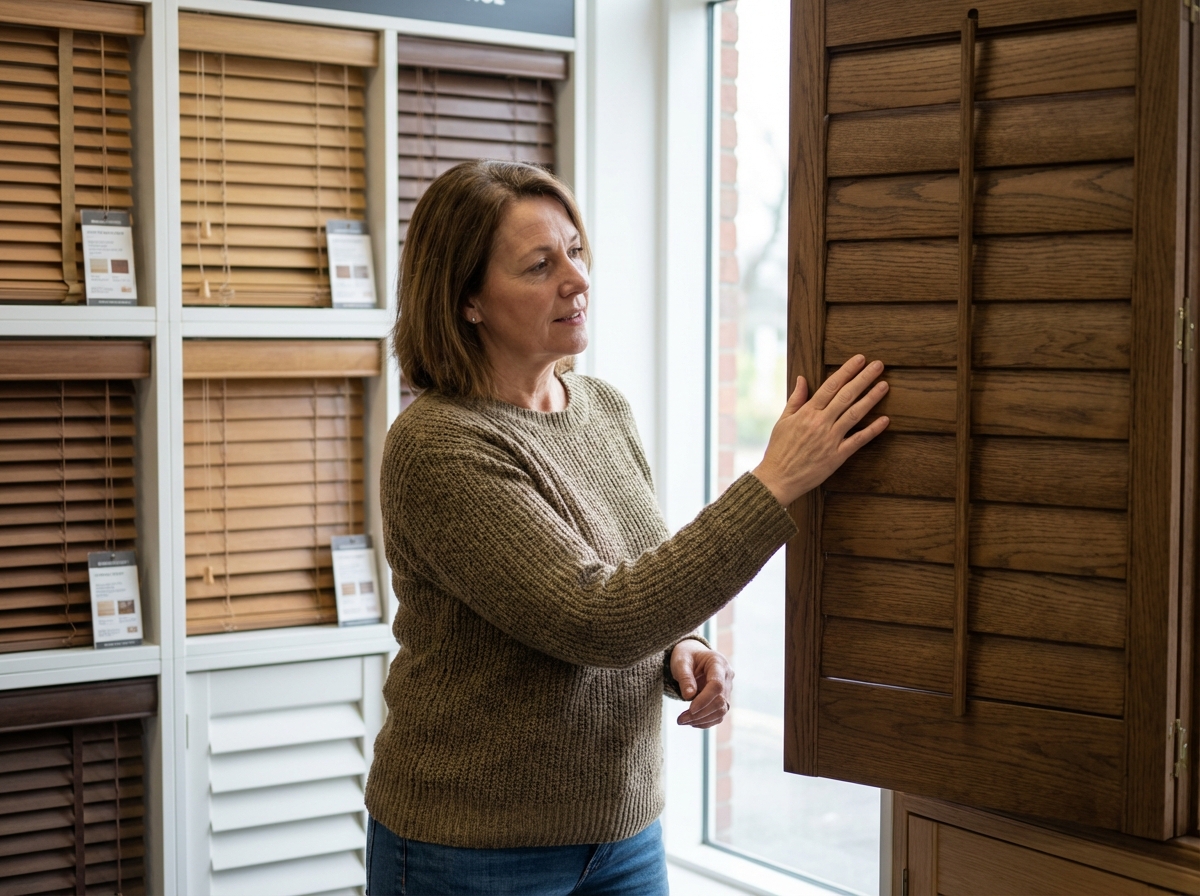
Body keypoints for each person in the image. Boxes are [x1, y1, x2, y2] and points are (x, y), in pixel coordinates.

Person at [364, 159, 888, 895]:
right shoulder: (441, 445)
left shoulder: (601, 408)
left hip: (625, 832)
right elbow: (595, 619)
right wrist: (777, 482)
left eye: (575, 251)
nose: (576, 280)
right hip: (473, 851)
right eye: (540, 265)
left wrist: (683, 645)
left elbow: (636, 577)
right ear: (468, 300)